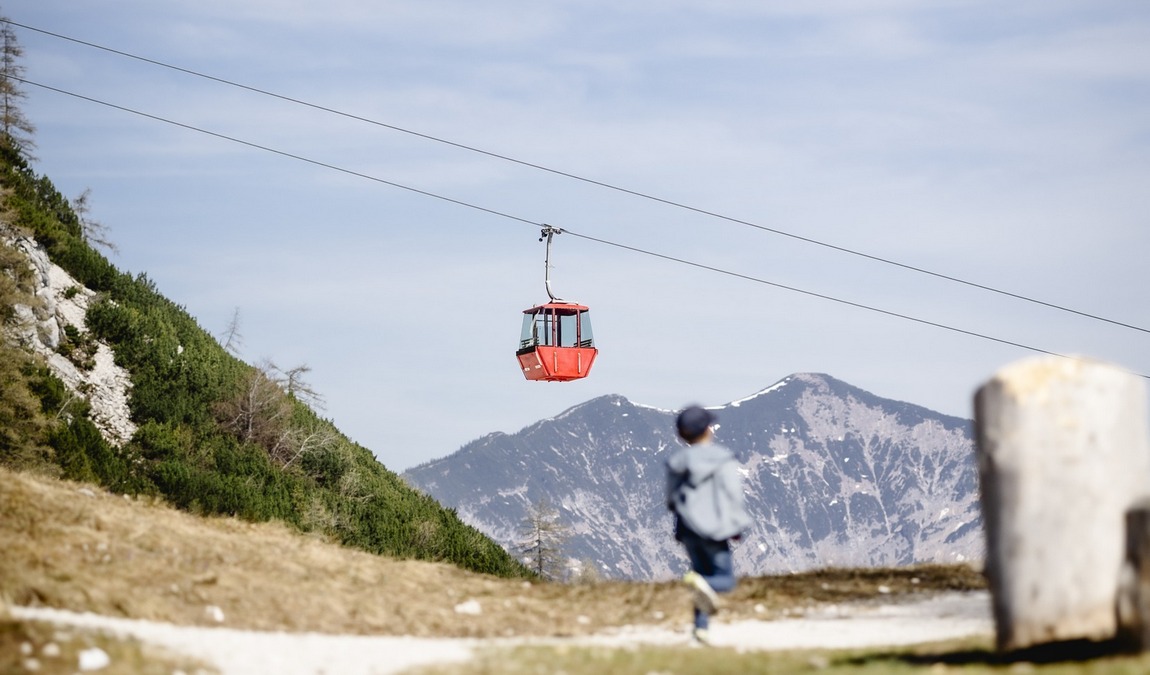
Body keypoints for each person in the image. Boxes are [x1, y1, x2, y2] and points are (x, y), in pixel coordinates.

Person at [665, 405, 752, 645]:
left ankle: (700, 629)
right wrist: (737, 525)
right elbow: (732, 494)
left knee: (701, 580)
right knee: (723, 580)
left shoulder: (677, 461)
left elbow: (671, 498)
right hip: (716, 529)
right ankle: (701, 615)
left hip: (688, 529)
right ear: (707, 430)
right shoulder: (721, 458)